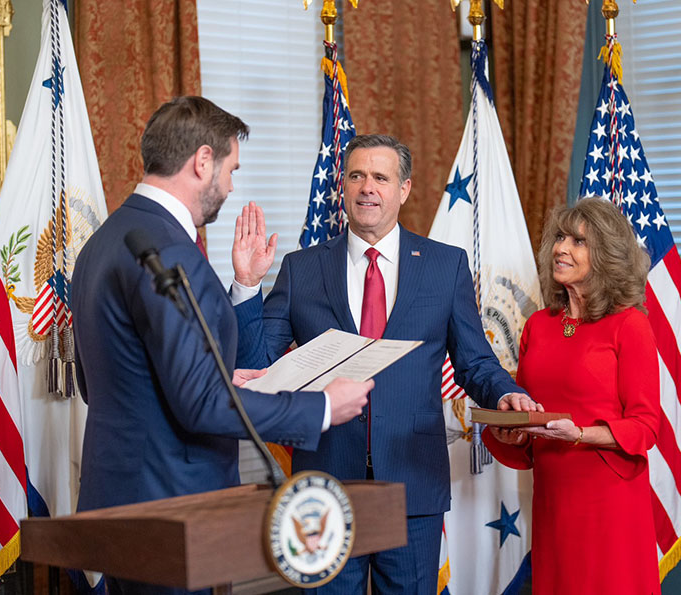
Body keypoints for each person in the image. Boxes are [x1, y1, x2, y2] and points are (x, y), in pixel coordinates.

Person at [70, 96, 373, 595]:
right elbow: (201, 407)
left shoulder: (106, 240)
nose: (232, 186)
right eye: (231, 169)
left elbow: (102, 377)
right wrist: (320, 407)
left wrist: (216, 372)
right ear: (202, 161)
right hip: (171, 506)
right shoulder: (169, 252)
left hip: (116, 499)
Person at [229, 133, 537, 594]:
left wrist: (505, 392)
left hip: (412, 485)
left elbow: (475, 362)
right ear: (343, 186)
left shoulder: (444, 265)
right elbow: (257, 369)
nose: (367, 187)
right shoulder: (301, 268)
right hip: (326, 485)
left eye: (380, 177)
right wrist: (247, 285)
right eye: (356, 176)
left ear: (404, 189)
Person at [483, 197, 661, 594]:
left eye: (578, 242)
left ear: (606, 256)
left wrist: (579, 434)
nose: (561, 248)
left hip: (609, 503)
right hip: (554, 502)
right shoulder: (539, 327)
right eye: (560, 238)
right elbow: (530, 419)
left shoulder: (629, 325)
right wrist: (509, 431)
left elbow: (645, 427)